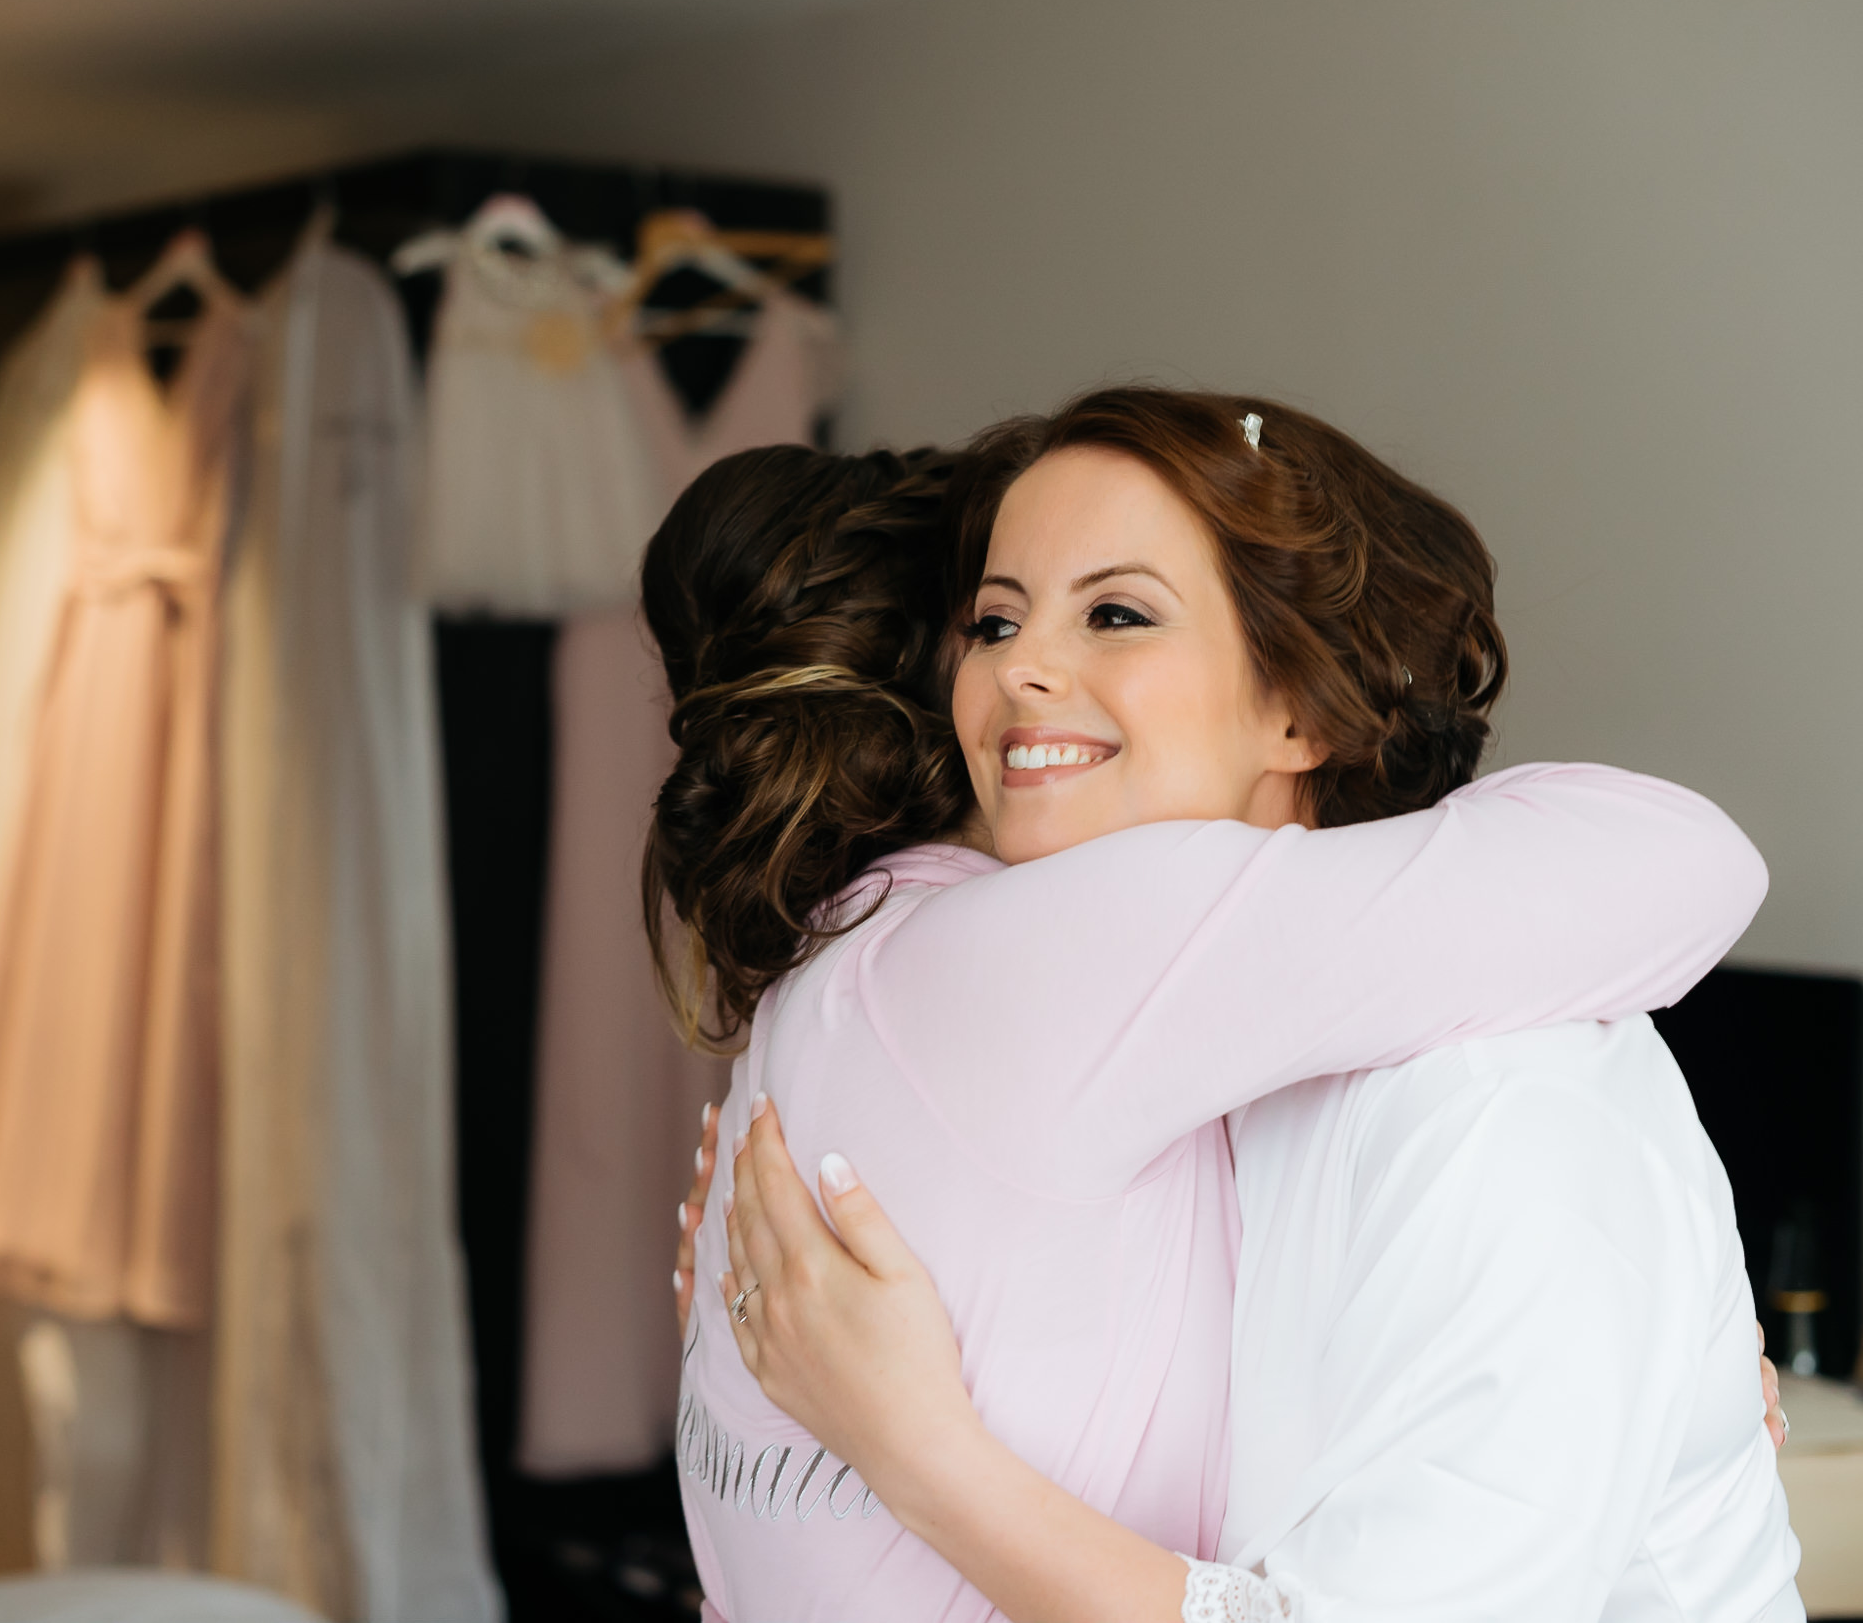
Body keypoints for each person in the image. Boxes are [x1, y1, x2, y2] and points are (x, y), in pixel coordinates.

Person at [639, 396, 1782, 1623]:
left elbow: (1694, 862)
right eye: (992, 619)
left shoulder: (1495, 1099)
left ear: (1302, 709)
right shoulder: (1056, 984)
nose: (1021, 664)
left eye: (1116, 612)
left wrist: (914, 1450)